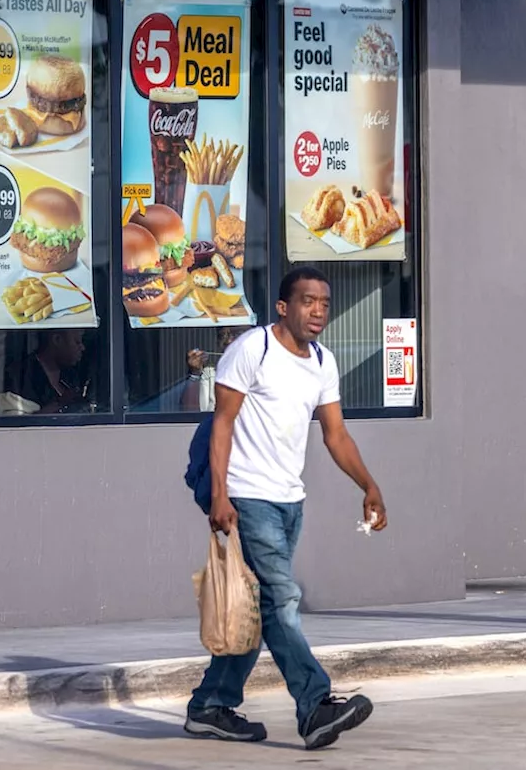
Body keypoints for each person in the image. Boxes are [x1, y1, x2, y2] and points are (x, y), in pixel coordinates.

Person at [184, 267, 389, 751]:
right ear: (283, 307)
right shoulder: (252, 349)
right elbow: (222, 423)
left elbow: (334, 434)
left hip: (288, 500)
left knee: (260, 611)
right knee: (282, 601)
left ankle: (210, 707)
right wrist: (219, 494)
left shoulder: (322, 362)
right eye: (307, 301)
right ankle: (315, 705)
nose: (318, 311)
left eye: (324, 303)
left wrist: (369, 484)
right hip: (245, 494)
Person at [8, 329, 91, 414]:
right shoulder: (21, 375)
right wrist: (60, 404)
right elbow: (18, 420)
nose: (82, 348)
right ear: (57, 340)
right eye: (77, 342)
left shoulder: (72, 374)